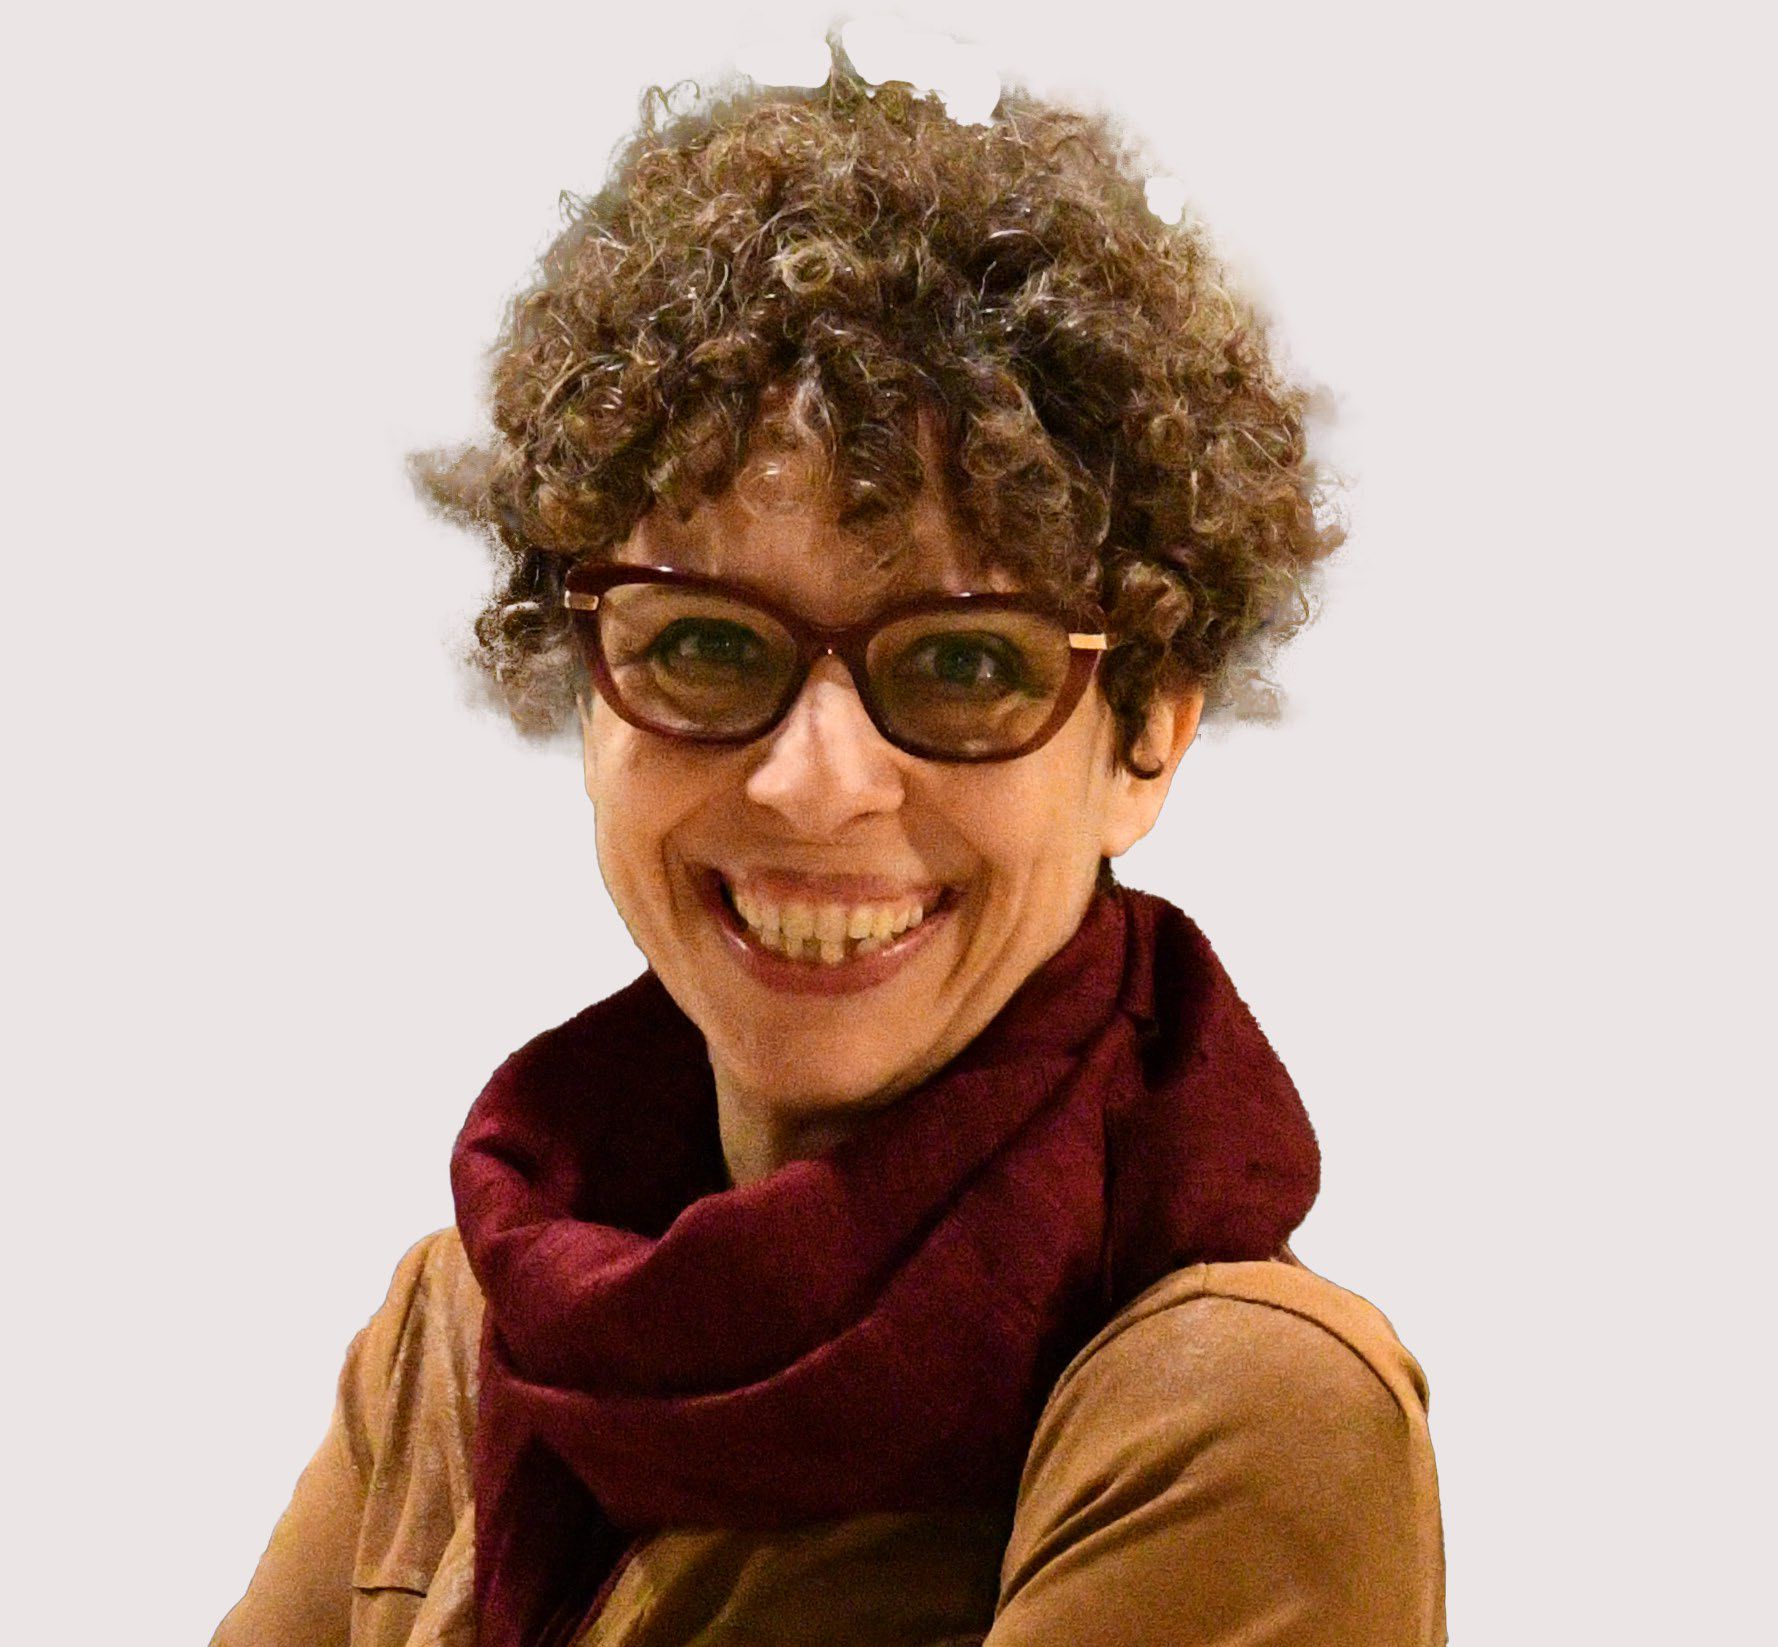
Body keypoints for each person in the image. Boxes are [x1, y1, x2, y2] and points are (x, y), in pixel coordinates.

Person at [211, 56, 1446, 1647]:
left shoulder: (1236, 1408)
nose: (814, 784)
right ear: (578, 681)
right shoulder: (459, 1332)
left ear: (1146, 736)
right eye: (707, 645)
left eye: (964, 663)